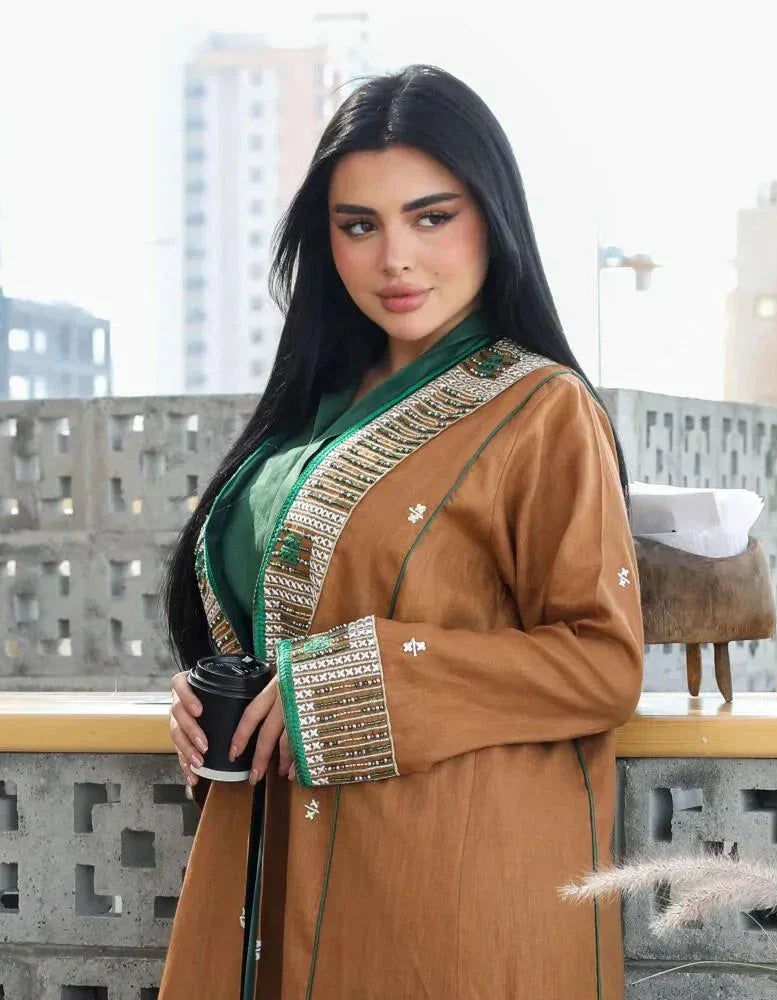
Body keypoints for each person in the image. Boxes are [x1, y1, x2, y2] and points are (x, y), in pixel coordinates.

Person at [159, 63, 644, 1000]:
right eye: (358, 226)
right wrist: (206, 691)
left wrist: (352, 679)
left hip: (441, 885)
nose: (396, 260)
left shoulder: (542, 410)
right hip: (264, 861)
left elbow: (602, 663)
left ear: (492, 217)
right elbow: (283, 621)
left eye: (431, 217)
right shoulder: (310, 418)